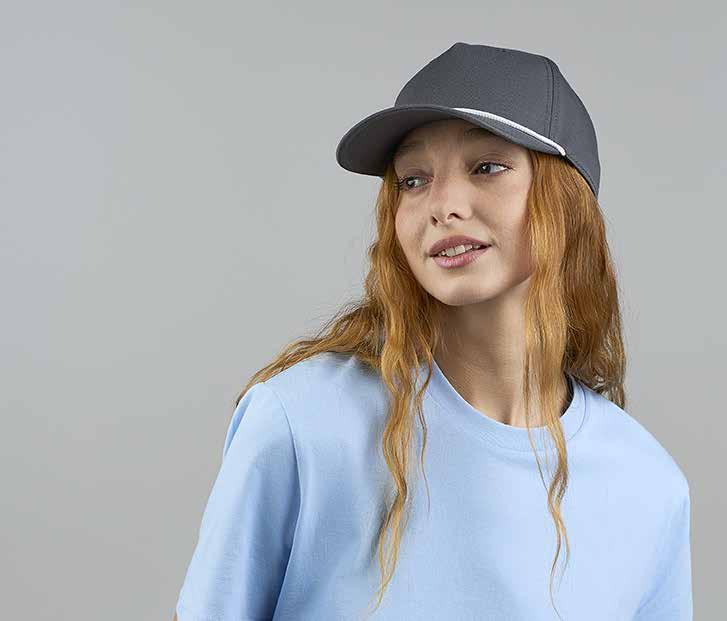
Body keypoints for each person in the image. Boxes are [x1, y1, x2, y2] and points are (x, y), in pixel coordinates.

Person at [173, 42, 692, 620]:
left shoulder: (647, 484)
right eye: (413, 180)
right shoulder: (303, 422)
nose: (443, 205)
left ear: (568, 201)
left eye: (487, 167)